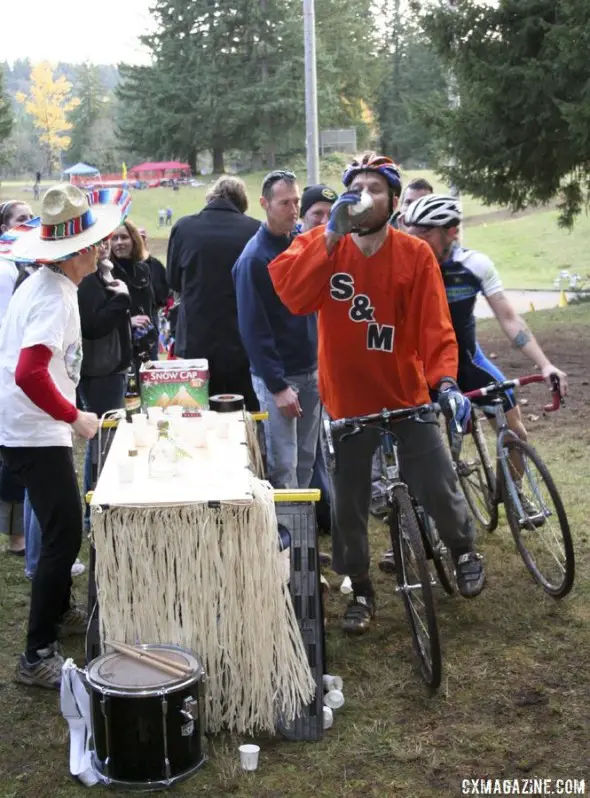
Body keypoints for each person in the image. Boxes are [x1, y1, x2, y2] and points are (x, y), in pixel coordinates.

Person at [268, 153, 485, 634]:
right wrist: (329, 236)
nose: (364, 195)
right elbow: (293, 294)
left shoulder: (414, 254)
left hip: (406, 393)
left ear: (393, 199)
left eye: (376, 188)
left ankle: (462, 546)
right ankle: (361, 587)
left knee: (438, 479)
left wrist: (445, 382)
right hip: (348, 401)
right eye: (357, 186)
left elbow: (435, 327)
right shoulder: (323, 247)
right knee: (348, 504)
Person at [0, 182, 129, 688]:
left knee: (61, 530)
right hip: (35, 428)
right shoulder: (53, 295)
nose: (100, 250)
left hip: (31, 424)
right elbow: (30, 372)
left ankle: (60, 611)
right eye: (95, 245)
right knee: (64, 535)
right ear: (75, 251)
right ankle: (36, 654)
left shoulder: (49, 285)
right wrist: (73, 415)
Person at [402, 193, 568, 460]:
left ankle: (515, 498)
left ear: (452, 232)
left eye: (426, 233)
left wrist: (545, 364)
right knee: (423, 455)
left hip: (468, 361)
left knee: (517, 435)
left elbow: (509, 318)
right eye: (412, 232)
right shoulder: (402, 268)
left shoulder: (473, 265)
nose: (415, 240)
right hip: (422, 370)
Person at [233, 170, 320, 489]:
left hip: (311, 370)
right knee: (284, 463)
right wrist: (277, 385)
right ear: (264, 204)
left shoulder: (299, 245)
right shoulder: (254, 259)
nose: (294, 209)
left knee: (308, 457)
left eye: (296, 201)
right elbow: (253, 329)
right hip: (280, 378)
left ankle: (304, 531)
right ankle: (286, 534)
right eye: (285, 202)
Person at [166, 175, 261, 408]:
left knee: (198, 412)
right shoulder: (255, 229)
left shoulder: (184, 227)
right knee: (244, 412)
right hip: (243, 340)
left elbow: (173, 280)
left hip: (196, 340)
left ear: (211, 197)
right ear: (242, 202)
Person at [78, 237, 133, 529]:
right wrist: (122, 300)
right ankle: (94, 511)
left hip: (111, 367)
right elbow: (93, 325)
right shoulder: (89, 280)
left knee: (105, 439)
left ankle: (97, 507)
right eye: (97, 243)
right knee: (101, 440)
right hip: (101, 371)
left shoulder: (104, 272)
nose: (104, 247)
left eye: (106, 241)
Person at [298, 184, 339, 534]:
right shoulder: (295, 252)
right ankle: (321, 515)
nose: (325, 221)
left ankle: (328, 513)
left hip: (332, 367)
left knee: (321, 446)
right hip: (304, 369)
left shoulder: (344, 250)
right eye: (317, 215)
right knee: (308, 450)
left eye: (331, 214)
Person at [0, 200, 35, 556]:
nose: (29, 222)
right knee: (12, 452)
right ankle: (16, 537)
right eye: (21, 219)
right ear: (5, 227)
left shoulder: (22, 262)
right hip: (9, 367)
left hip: (19, 365)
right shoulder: (4, 269)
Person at [109, 220, 158, 376]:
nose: (119, 243)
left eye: (124, 237)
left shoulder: (143, 269)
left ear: (134, 239)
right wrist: (128, 322)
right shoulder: (105, 272)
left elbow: (150, 306)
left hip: (145, 344)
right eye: (114, 238)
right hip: (118, 348)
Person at [138, 227, 170, 360]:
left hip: (151, 315)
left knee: (152, 357)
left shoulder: (155, 264)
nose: (140, 240)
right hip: (130, 316)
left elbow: (165, 287)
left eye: (143, 237)